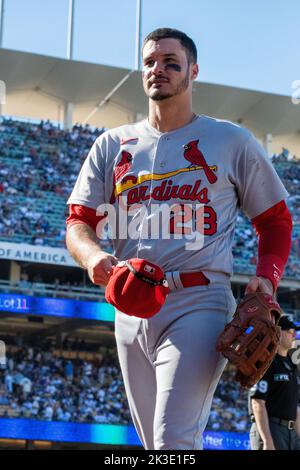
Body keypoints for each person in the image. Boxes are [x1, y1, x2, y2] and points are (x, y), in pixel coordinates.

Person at [65, 28, 292, 450]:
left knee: (173, 440)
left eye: (172, 62)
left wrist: (267, 276)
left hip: (199, 299)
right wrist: (93, 255)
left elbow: (275, 219)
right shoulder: (111, 144)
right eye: (151, 61)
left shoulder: (230, 140)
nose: (159, 70)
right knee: (155, 446)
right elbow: (78, 222)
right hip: (130, 302)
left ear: (193, 72)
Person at [249, 315, 300, 450]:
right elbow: (257, 402)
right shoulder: (266, 361)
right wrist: (267, 440)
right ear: (278, 332)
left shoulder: (291, 365)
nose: (294, 334)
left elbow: (295, 407)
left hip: (290, 431)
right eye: (290, 331)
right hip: (271, 428)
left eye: (295, 331)